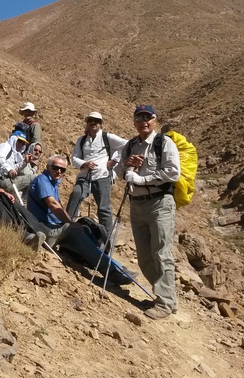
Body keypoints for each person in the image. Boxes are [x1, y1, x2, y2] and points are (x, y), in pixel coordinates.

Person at [27, 155, 135, 285]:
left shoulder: (52, 183)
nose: (59, 171)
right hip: (46, 228)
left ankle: (115, 266)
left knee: (86, 230)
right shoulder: (42, 180)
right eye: (55, 167)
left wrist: (71, 223)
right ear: (47, 167)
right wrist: (70, 223)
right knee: (77, 232)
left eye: (63, 169)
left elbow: (58, 207)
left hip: (55, 225)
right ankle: (112, 272)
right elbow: (53, 204)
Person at [116, 105, 180, 320]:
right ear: (134, 121)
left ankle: (164, 303)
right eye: (139, 118)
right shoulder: (131, 145)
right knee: (144, 257)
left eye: (148, 118)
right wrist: (127, 164)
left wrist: (143, 179)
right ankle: (166, 297)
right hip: (136, 205)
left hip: (159, 203)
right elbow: (118, 172)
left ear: (155, 120)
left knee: (161, 254)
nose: (144, 121)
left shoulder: (163, 143)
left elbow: (173, 172)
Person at [65, 111, 128, 235]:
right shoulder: (81, 140)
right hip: (85, 176)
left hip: (102, 176)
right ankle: (67, 227)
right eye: (90, 120)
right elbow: (75, 158)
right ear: (87, 123)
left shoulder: (107, 137)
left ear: (101, 124)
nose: (93, 123)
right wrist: (85, 163)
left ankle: (106, 239)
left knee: (104, 208)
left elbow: (126, 145)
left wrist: (114, 160)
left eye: (97, 121)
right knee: (76, 194)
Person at [0, 131, 37, 204]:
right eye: (19, 141)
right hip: (2, 180)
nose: (20, 145)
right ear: (14, 139)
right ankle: (25, 205)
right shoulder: (6, 146)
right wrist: (9, 170)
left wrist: (24, 162)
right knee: (33, 178)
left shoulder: (13, 153)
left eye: (23, 143)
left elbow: (14, 169)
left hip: (7, 180)